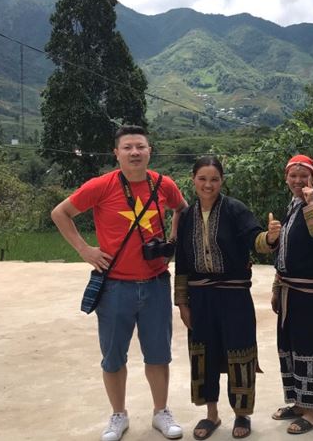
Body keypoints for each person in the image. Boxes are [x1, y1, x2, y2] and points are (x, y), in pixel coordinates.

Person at [51, 125, 188, 441]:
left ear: (149, 151)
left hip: (155, 283)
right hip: (114, 286)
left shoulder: (163, 184)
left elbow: (181, 208)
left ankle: (160, 412)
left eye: (140, 146)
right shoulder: (102, 186)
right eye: (128, 147)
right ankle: (118, 415)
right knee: (113, 356)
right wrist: (85, 250)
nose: (135, 152)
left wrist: (173, 239)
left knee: (158, 354)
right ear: (117, 153)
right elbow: (61, 213)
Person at [174, 156, 281, 440]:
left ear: (222, 181)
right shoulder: (185, 216)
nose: (208, 185)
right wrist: (182, 303)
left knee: (239, 351)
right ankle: (211, 414)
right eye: (202, 179)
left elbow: (255, 239)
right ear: (193, 179)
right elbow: (182, 261)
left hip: (234, 296)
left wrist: (270, 239)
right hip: (200, 297)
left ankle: (241, 414)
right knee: (203, 353)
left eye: (214, 179)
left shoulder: (235, 209)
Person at [269, 154, 313, 435]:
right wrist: (276, 286)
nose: (297, 180)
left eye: (302, 175)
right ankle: (298, 403)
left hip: (307, 293)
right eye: (293, 176)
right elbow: (285, 250)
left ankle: (312, 412)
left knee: (309, 349)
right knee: (291, 347)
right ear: (286, 178)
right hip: (289, 291)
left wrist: (310, 205)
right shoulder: (293, 205)